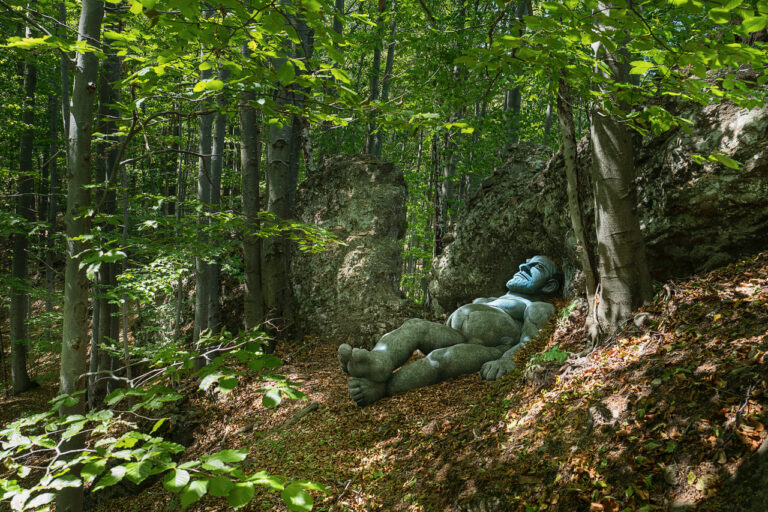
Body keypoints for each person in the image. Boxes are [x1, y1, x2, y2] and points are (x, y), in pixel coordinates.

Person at [338, 255, 560, 406]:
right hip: (454, 334)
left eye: (537, 267)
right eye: (525, 263)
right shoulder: (494, 299)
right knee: (416, 325)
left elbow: (530, 340)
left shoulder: (538, 306)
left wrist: (507, 360)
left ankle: (382, 388)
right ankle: (379, 362)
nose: (523, 268)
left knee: (441, 358)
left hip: (490, 348)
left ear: (549, 285)